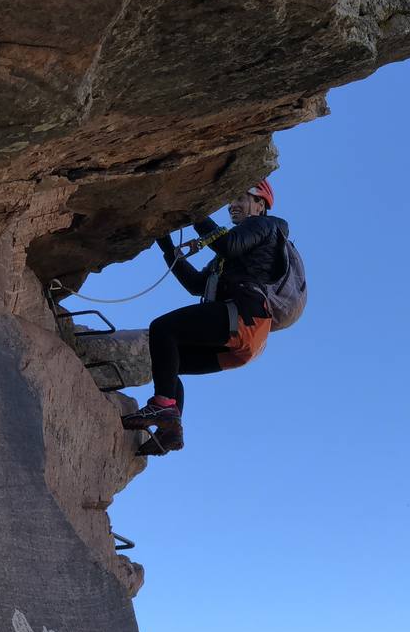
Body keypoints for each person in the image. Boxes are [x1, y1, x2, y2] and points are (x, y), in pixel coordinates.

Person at [121, 179, 286, 455]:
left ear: (260, 204)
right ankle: (170, 431)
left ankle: (162, 408)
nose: (233, 204)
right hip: (244, 334)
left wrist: (194, 211)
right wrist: (166, 246)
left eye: (241, 198)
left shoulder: (267, 226)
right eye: (231, 200)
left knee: (163, 329)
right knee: (170, 363)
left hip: (243, 316)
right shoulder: (232, 254)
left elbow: (229, 244)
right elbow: (196, 284)